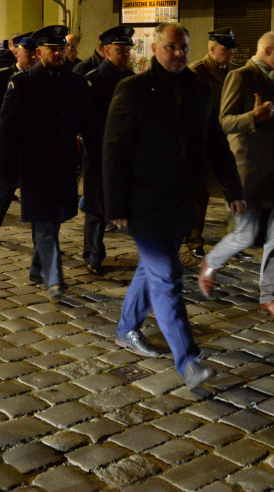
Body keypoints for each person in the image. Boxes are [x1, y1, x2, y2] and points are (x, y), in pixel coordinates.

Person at [104, 22, 244, 388]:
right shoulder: (132, 90)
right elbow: (114, 149)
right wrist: (115, 201)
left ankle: (126, 328)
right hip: (143, 203)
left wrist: (233, 189)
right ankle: (189, 361)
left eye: (184, 47)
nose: (178, 54)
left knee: (152, 271)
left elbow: (215, 143)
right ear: (154, 48)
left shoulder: (198, 92)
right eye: (171, 48)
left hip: (180, 203)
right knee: (167, 277)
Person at [197, 32, 274, 320]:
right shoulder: (242, 76)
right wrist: (253, 117)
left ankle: (269, 297)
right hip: (249, 172)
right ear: (266, 50)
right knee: (246, 234)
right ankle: (211, 262)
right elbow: (223, 122)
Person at [0, 26, 90, 299]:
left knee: (53, 220)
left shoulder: (74, 83)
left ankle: (38, 268)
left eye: (62, 48)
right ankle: (54, 277)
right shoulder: (22, 83)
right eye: (54, 49)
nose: (60, 53)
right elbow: (7, 129)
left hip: (64, 166)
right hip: (35, 166)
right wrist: (6, 168)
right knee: (47, 223)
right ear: (39, 52)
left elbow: (87, 122)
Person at [80, 25, 135, 274]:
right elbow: (87, 121)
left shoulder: (131, 79)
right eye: (120, 50)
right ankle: (93, 254)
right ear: (106, 51)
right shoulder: (94, 80)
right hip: (100, 154)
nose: (125, 54)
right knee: (96, 207)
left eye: (127, 50)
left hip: (125, 155)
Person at [185, 27, 238, 258]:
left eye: (232, 49)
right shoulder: (197, 72)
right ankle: (193, 238)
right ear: (212, 48)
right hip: (200, 140)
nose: (230, 53)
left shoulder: (234, 72)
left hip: (224, 140)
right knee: (198, 192)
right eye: (226, 49)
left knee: (232, 188)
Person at [0, 34, 38, 244]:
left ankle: (41, 238)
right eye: (28, 52)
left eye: (35, 52)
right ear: (16, 53)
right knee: (3, 190)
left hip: (34, 146)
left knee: (34, 193)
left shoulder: (41, 77)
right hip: (10, 143)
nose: (32, 57)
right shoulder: (2, 76)